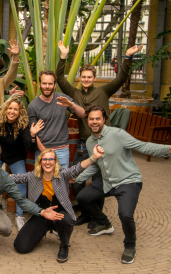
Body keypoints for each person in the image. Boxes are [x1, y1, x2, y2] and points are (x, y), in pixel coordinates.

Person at [75, 105, 171, 264]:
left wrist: (168, 149)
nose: (94, 122)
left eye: (97, 119)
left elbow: (142, 146)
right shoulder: (89, 142)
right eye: (91, 119)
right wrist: (77, 178)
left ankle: (130, 246)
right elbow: (95, 165)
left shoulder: (118, 134)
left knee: (125, 214)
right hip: (107, 181)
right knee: (82, 197)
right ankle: (104, 223)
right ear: (87, 120)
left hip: (128, 180)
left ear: (104, 119)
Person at [56, 41, 144, 228]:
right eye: (84, 77)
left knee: (99, 182)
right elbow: (60, 79)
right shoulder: (74, 93)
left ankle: (97, 219)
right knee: (77, 179)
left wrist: (128, 58)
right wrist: (63, 56)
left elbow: (121, 77)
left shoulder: (104, 91)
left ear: (94, 78)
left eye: (89, 77)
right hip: (83, 144)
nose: (86, 79)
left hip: (103, 143)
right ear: (80, 78)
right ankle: (87, 214)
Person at [11, 145, 105, 262]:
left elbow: (77, 169)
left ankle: (64, 245)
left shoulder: (63, 174)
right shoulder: (33, 176)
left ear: (55, 162)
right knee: (21, 246)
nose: (48, 162)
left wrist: (93, 157)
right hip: (42, 214)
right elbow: (16, 178)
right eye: (44, 159)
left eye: (51, 159)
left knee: (66, 220)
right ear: (40, 162)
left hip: (60, 213)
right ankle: (42, 230)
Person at [0, 96, 44, 231]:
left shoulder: (23, 125)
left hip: (16, 157)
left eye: (15, 109)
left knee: (22, 182)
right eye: (10, 108)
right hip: (0, 156)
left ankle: (19, 215)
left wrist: (33, 135)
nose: (12, 111)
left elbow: (31, 148)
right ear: (5, 109)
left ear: (19, 112)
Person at [27, 70, 86, 168]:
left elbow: (83, 114)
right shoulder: (33, 106)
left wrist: (71, 105)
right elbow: (33, 132)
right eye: (44, 83)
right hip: (43, 150)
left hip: (62, 151)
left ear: (54, 85)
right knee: (42, 181)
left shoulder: (62, 98)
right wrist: (44, 151)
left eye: (50, 84)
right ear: (39, 84)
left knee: (62, 181)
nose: (47, 86)